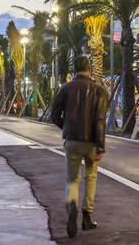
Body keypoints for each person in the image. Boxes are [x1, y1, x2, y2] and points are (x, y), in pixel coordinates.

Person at [50, 55, 106, 239]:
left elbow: (54, 114)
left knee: (72, 178)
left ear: (74, 70)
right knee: (90, 177)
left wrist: (66, 127)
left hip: (72, 141)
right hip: (91, 142)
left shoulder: (65, 88)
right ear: (89, 69)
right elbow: (99, 120)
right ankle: (86, 217)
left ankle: (71, 203)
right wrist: (100, 146)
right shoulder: (98, 89)